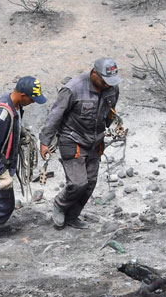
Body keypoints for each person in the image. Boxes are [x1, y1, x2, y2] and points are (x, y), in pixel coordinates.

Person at [39, 58, 121, 229]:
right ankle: (60, 205)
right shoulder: (73, 89)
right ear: (94, 73)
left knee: (90, 183)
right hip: (72, 139)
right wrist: (45, 141)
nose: (108, 85)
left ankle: (72, 216)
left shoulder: (112, 89)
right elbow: (55, 115)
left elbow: (110, 112)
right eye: (105, 81)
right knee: (78, 183)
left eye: (111, 82)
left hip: (95, 140)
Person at [0, 76, 46, 237]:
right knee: (4, 206)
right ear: (22, 95)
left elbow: (11, 128)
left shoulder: (12, 103)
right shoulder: (2, 114)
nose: (33, 102)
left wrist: (21, 132)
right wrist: (2, 174)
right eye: (32, 99)